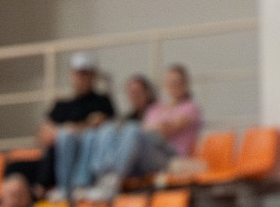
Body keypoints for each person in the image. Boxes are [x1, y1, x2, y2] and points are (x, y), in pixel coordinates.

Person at [84, 64, 204, 199]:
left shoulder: (190, 108)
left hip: (170, 157)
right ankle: (101, 178)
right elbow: (151, 130)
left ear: (186, 83)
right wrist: (156, 127)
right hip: (150, 154)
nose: (173, 86)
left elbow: (165, 131)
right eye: (170, 82)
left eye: (177, 82)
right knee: (108, 129)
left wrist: (154, 128)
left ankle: (111, 182)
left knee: (132, 130)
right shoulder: (156, 108)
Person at [44, 52, 116, 199]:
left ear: (93, 75)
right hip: (65, 151)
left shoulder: (102, 101)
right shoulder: (61, 104)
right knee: (65, 136)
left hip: (90, 154)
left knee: (80, 136)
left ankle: (79, 185)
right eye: (78, 73)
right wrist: (66, 130)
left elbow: (103, 126)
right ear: (71, 75)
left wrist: (74, 129)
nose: (81, 78)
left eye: (85, 73)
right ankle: (65, 189)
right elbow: (44, 133)